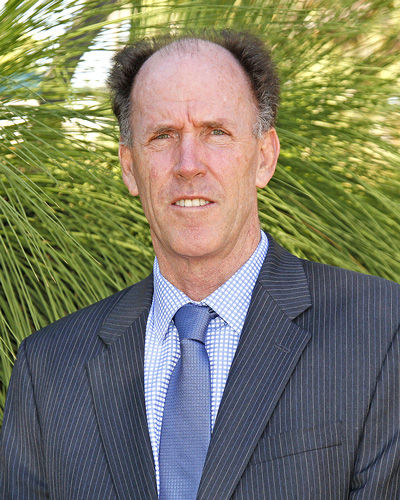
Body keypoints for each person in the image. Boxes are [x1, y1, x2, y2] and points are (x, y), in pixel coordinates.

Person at [1, 29, 400, 500]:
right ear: (129, 166)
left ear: (264, 157)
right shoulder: (48, 369)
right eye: (163, 136)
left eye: (216, 132)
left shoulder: (381, 331)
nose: (188, 164)